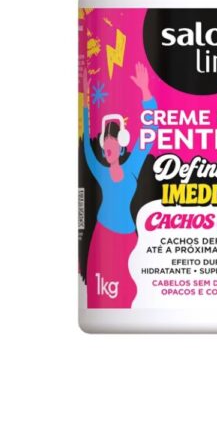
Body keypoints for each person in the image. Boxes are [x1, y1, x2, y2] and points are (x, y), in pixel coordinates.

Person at [82, 62, 156, 308]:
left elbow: (151, 131)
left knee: (131, 288)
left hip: (127, 238)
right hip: (103, 236)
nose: (107, 146)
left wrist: (145, 91)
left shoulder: (132, 166)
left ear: (122, 143)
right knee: (108, 294)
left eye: (112, 141)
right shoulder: (99, 171)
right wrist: (85, 103)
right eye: (105, 142)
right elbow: (85, 146)